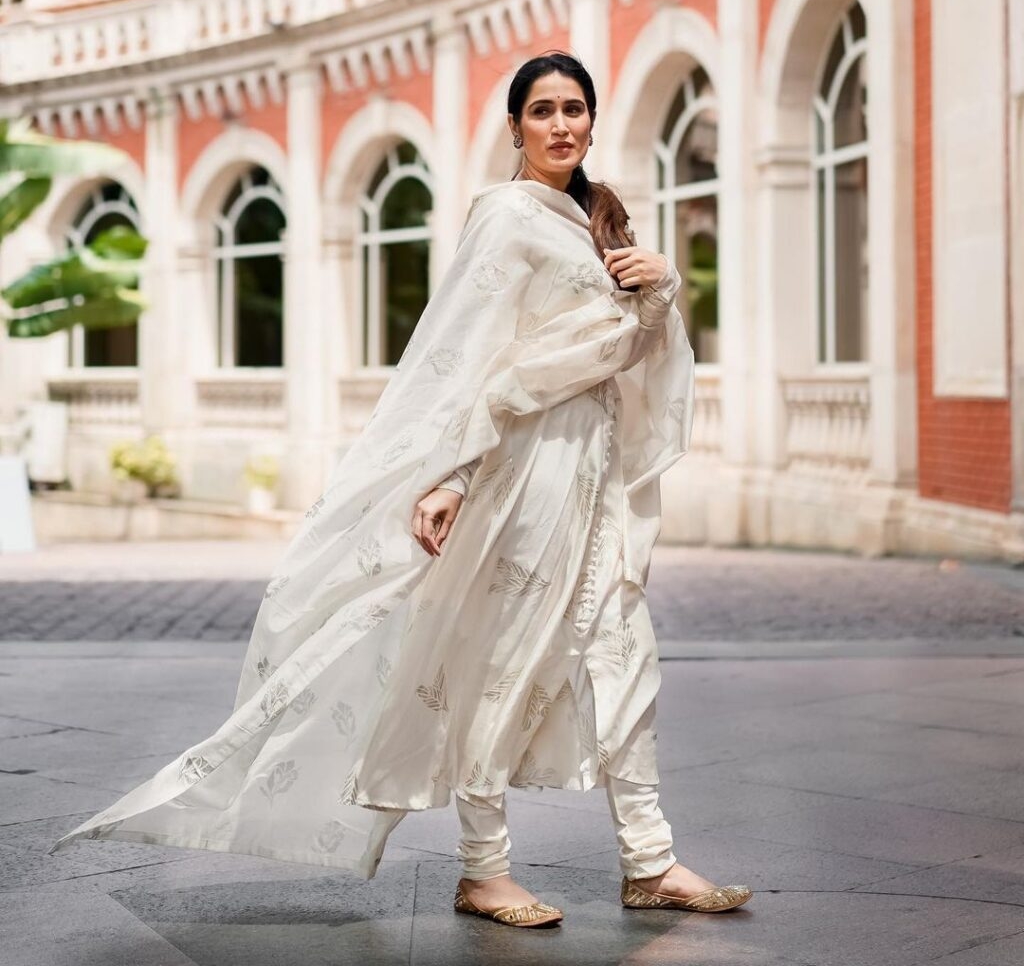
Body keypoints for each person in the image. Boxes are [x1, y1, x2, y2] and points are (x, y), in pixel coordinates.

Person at [48, 50, 752, 929]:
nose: (562, 124)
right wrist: (448, 473)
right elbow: (467, 360)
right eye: (543, 111)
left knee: (626, 655)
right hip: (521, 472)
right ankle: (483, 869)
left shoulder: (595, 219)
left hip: (593, 476)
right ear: (515, 127)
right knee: (498, 664)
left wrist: (658, 296)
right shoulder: (503, 218)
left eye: (575, 108)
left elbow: (624, 355)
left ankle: (651, 860)